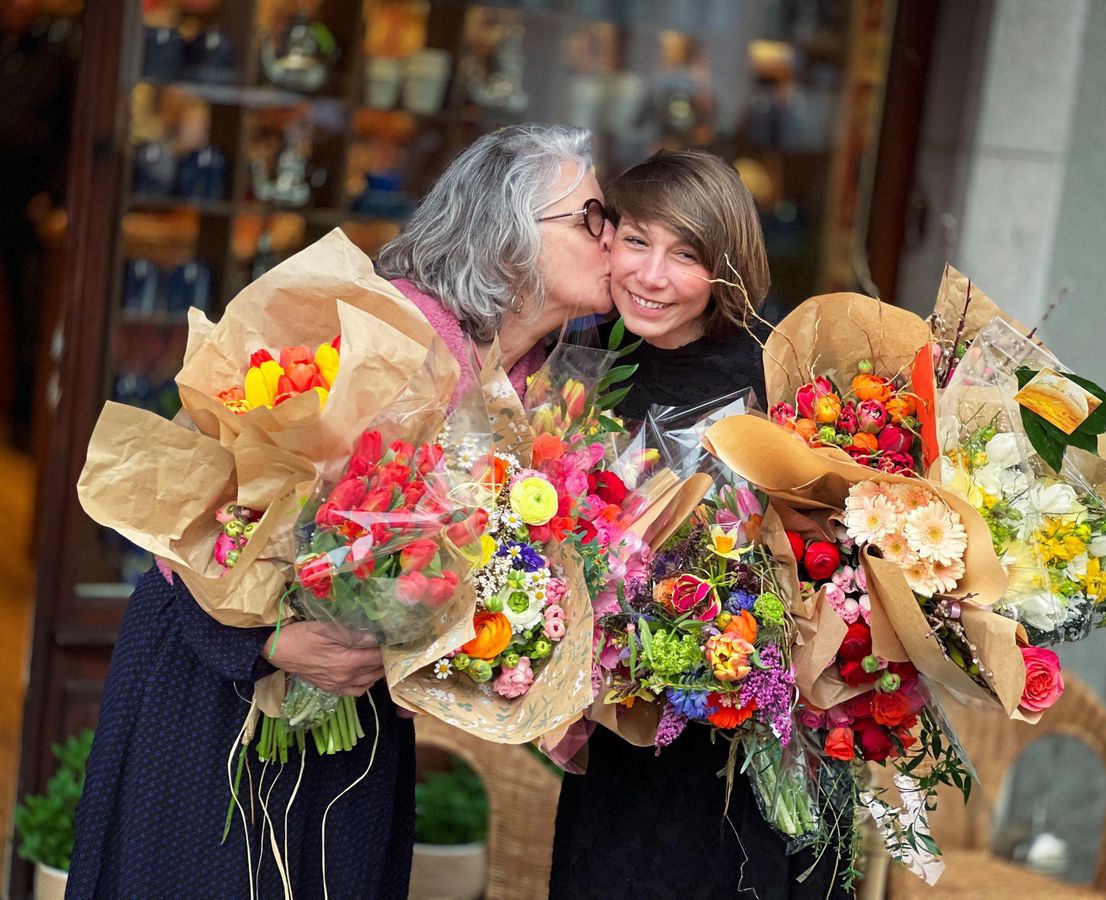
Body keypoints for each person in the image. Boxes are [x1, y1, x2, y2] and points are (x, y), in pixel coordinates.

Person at [69, 124, 612, 899]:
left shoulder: (534, 382)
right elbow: (205, 501)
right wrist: (271, 641)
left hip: (354, 718)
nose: (611, 236)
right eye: (590, 217)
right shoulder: (380, 333)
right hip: (220, 690)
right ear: (509, 237)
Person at [549, 149, 852, 899]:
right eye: (637, 240)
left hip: (759, 741)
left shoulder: (780, 379)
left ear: (727, 268)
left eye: (685, 255)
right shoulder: (582, 361)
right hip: (627, 743)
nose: (651, 276)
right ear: (607, 238)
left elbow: (839, 558)